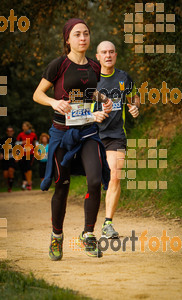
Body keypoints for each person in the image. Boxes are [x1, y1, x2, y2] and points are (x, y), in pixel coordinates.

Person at [33, 18, 112, 260]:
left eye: (86, 34)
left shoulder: (94, 66)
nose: (82, 38)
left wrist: (103, 100)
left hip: (88, 132)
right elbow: (38, 94)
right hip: (62, 134)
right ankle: (57, 237)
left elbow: (90, 92)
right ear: (68, 39)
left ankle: (88, 234)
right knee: (62, 185)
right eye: (77, 34)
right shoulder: (58, 65)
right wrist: (54, 102)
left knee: (95, 180)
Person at [94, 41, 140, 239]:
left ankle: (107, 223)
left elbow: (135, 95)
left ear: (116, 54)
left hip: (115, 136)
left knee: (115, 174)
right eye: (104, 52)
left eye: (111, 51)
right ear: (97, 56)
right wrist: (94, 114)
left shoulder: (123, 77)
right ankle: (89, 224)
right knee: (94, 181)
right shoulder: (90, 79)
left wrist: (135, 106)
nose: (108, 55)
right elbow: (77, 105)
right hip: (92, 135)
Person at [16, 121, 37, 190]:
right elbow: (16, 144)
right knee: (24, 169)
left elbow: (35, 144)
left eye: (24, 126)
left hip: (30, 153)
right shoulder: (20, 135)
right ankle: (28, 182)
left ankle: (28, 183)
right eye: (23, 126)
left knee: (29, 167)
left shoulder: (33, 135)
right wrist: (22, 142)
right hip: (23, 154)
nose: (23, 127)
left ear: (28, 127)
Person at [0, 126, 16, 192]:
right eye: (8, 131)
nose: (10, 132)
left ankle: (10, 188)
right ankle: (8, 185)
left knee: (11, 171)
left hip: (12, 158)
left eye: (11, 131)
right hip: (5, 158)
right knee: (6, 174)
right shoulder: (3, 140)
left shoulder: (15, 140)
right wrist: (0, 154)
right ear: (7, 132)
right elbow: (0, 148)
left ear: (13, 132)